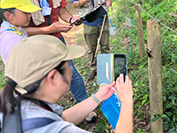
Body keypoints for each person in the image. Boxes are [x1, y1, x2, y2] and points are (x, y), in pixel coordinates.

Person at [17, 0, 95, 122]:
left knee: (71, 72)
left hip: (56, 41)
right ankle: (46, 116)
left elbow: (61, 11)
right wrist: (47, 29)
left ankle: (84, 106)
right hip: (34, 46)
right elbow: (20, 30)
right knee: (39, 80)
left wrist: (71, 18)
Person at [0, 35, 134, 133]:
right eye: (68, 64)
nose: (71, 70)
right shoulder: (54, 130)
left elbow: (61, 118)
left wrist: (98, 97)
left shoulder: (14, 100)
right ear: (52, 77)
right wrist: (127, 101)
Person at [70, 0, 112, 81]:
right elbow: (73, 4)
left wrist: (109, 1)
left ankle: (105, 68)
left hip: (102, 18)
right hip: (88, 21)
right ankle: (93, 68)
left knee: (105, 45)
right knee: (91, 48)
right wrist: (83, 2)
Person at [0, 0, 42, 64]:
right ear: (9, 16)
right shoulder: (11, 38)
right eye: (25, 12)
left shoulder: (14, 29)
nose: (30, 15)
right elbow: (24, 64)